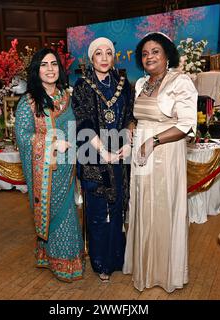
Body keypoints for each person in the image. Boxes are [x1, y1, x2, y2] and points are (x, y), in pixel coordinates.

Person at [123, 32, 197, 292]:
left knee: (164, 209)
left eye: (155, 51)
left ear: (167, 55)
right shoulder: (141, 83)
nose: (149, 56)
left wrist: (153, 141)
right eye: (144, 53)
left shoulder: (181, 81)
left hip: (165, 153)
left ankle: (165, 272)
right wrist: (132, 125)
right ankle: (144, 266)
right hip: (141, 155)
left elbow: (187, 125)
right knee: (143, 206)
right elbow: (137, 114)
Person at [15, 48, 84, 282]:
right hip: (45, 173)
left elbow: (78, 126)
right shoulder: (29, 102)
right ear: (36, 70)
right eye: (44, 65)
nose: (50, 69)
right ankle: (56, 261)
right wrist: (52, 142)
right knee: (55, 215)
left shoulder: (67, 96)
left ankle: (69, 260)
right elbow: (23, 137)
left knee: (69, 214)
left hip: (68, 167)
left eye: (54, 64)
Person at [72, 37, 135, 282]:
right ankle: (101, 263)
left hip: (119, 155)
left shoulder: (123, 83)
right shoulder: (82, 85)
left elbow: (130, 115)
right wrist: (102, 152)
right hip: (93, 156)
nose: (105, 57)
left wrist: (128, 142)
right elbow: (83, 122)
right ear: (91, 58)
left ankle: (117, 258)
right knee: (99, 211)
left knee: (117, 208)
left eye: (109, 52)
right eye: (99, 53)